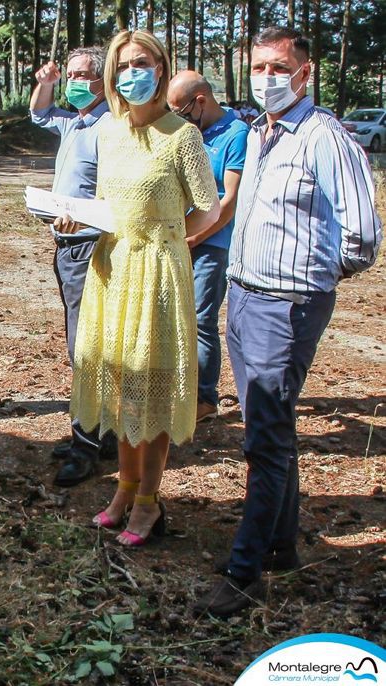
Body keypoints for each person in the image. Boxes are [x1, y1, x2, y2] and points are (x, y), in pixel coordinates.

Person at [194, 27, 381, 618]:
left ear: (306, 73)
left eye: (279, 67)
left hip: (287, 304)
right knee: (267, 428)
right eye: (258, 67)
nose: (267, 78)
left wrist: (311, 279)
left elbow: (363, 235)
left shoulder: (325, 138)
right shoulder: (257, 133)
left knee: (265, 439)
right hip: (244, 295)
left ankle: (244, 573)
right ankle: (282, 544)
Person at [61, 29, 219, 546]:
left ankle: (149, 502)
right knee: (123, 391)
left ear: (161, 67)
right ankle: (124, 491)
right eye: (124, 64)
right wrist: (75, 222)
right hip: (111, 268)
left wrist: (171, 241)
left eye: (143, 61)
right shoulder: (107, 131)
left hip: (156, 273)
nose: (133, 72)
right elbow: (105, 203)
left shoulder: (183, 136)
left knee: (150, 393)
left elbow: (208, 207)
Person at [29, 47, 118, 487]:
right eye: (71, 74)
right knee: (85, 347)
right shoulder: (74, 121)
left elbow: (116, 197)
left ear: (104, 81)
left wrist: (81, 216)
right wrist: (45, 81)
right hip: (67, 246)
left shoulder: (110, 126)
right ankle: (103, 435)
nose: (75, 81)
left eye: (84, 75)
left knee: (86, 349)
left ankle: (88, 447)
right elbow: (39, 114)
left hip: (90, 247)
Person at [167, 71, 249, 425]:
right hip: (176, 235)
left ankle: (204, 398)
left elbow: (229, 200)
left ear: (200, 100)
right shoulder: (187, 131)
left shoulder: (236, 134)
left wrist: (195, 237)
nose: (177, 117)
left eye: (180, 110)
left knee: (200, 319)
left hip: (211, 242)